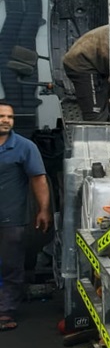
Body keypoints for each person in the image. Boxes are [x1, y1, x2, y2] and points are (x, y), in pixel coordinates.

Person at [0, 102, 50, 331]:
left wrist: (43, 209)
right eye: (1, 116)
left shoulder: (24, 147)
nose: (6, 120)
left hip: (10, 218)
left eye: (10, 117)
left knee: (10, 265)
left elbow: (38, 178)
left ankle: (5, 311)